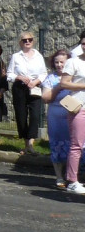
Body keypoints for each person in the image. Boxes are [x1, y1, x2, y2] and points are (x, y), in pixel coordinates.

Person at [7, 31, 46, 155]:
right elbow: (9, 74)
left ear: (33, 41)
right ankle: (25, 143)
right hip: (20, 88)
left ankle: (31, 144)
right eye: (24, 40)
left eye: (30, 39)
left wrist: (35, 82)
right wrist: (19, 77)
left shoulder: (38, 56)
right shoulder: (16, 56)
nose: (27, 42)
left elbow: (44, 73)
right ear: (20, 42)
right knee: (21, 116)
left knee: (35, 115)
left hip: (34, 87)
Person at [41, 50, 72, 189]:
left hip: (73, 114)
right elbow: (46, 98)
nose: (59, 65)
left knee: (75, 145)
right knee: (58, 145)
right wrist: (60, 86)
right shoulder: (50, 78)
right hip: (56, 116)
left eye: (62, 62)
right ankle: (59, 176)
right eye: (57, 62)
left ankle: (72, 176)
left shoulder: (75, 77)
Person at [59, 49, 85, 195]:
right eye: (83, 43)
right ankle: (72, 181)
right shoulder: (73, 62)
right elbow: (64, 83)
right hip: (79, 107)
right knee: (77, 145)